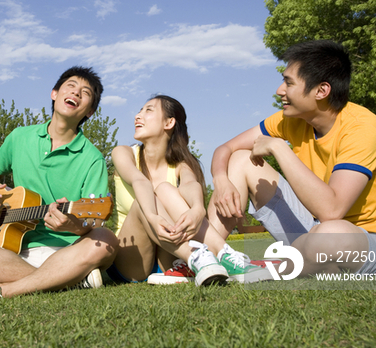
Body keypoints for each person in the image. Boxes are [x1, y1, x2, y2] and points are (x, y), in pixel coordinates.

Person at [208, 40, 376, 276]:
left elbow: (332, 211)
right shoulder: (289, 119)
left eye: (289, 83)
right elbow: (225, 148)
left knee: (332, 235)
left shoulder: (362, 128)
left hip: (367, 246)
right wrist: (221, 179)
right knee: (241, 159)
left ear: (321, 91)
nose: (279, 90)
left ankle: (269, 270)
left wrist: (280, 148)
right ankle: (207, 256)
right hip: (313, 233)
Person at [0, 66, 118, 300]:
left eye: (85, 93)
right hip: (10, 252)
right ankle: (65, 280)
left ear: (90, 112)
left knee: (106, 240)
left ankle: (3, 291)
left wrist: (72, 226)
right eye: (70, 86)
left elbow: (91, 222)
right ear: (54, 93)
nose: (76, 93)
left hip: (66, 253)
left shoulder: (93, 159)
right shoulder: (19, 137)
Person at [109, 95, 271, 286]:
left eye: (148, 110)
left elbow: (189, 184)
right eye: (140, 110)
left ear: (169, 122)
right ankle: (198, 258)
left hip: (170, 255)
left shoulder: (180, 163)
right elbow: (139, 181)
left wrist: (197, 209)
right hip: (132, 257)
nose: (138, 115)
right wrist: (152, 217)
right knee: (143, 203)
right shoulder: (123, 152)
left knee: (165, 189)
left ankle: (224, 255)